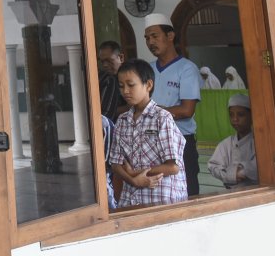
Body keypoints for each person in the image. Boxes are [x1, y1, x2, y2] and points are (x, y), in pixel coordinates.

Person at [108, 58, 187, 208]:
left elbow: (172, 167)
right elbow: (115, 164)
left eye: (131, 85)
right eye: (121, 86)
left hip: (161, 197)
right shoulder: (122, 121)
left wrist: (135, 172)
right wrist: (133, 180)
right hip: (130, 197)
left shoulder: (162, 118)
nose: (125, 91)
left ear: (148, 85)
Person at [144, 12, 201, 196]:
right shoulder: (148, 70)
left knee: (187, 192)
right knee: (159, 192)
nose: (150, 42)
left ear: (170, 36)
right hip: (152, 142)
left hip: (181, 143)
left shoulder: (186, 68)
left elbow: (186, 110)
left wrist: (152, 111)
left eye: (154, 36)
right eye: (147, 38)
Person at [208, 94, 256, 189]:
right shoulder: (225, 144)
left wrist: (242, 171)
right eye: (231, 115)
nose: (235, 119)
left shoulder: (258, 142)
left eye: (240, 115)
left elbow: (258, 167)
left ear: (251, 116)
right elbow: (213, 166)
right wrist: (233, 174)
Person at [97, 40, 126, 122]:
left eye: (109, 60)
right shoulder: (108, 79)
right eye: (102, 61)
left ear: (121, 58)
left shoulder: (131, 76)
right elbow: (105, 114)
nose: (105, 65)